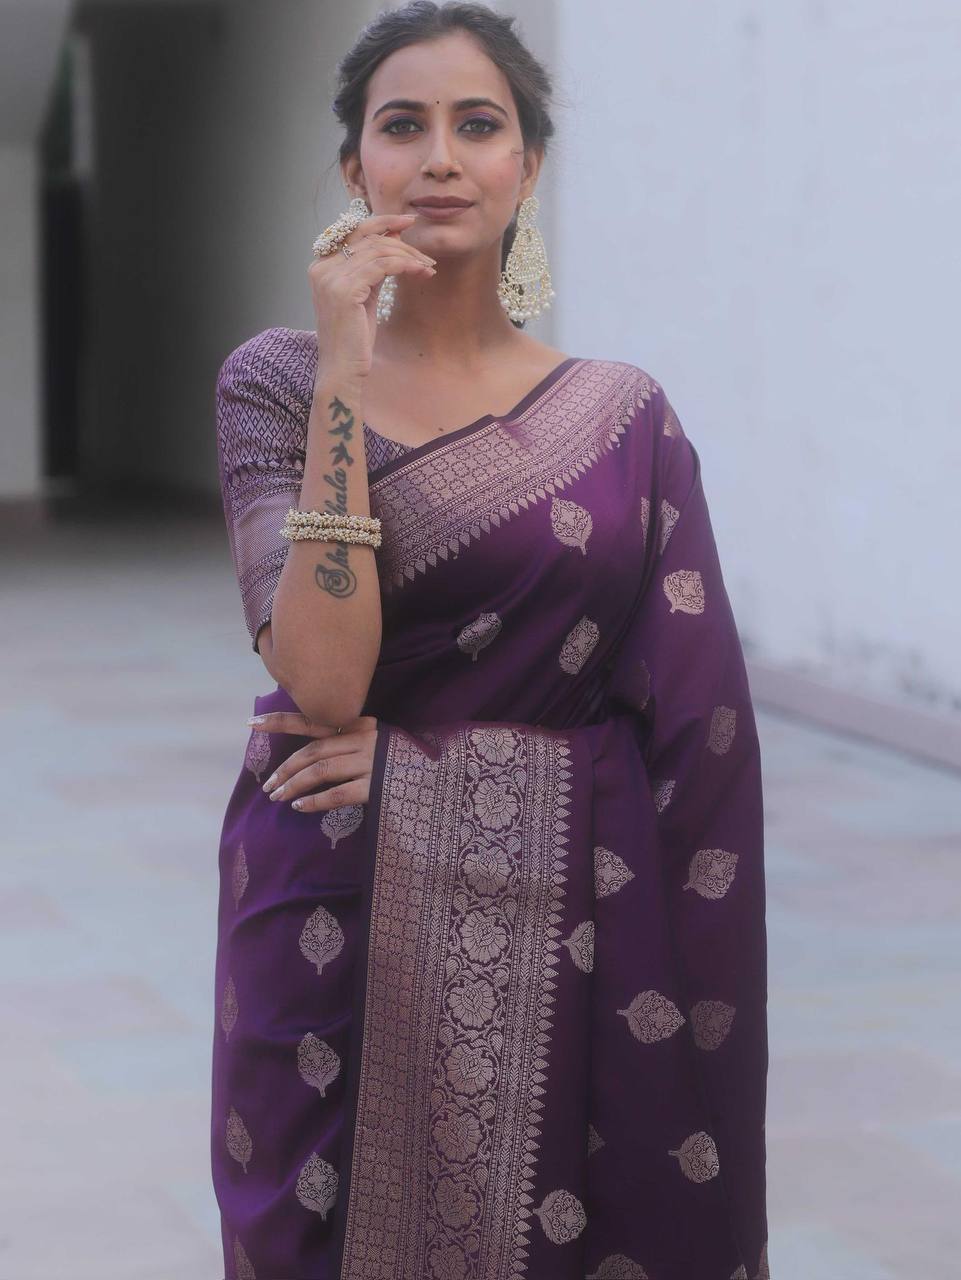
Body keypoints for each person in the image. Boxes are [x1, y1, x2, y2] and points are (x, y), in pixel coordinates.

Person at [210, 4, 770, 1278]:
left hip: (578, 931)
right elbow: (322, 679)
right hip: (333, 906)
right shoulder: (276, 382)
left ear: (529, 165)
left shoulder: (623, 419)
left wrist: (425, 776)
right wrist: (344, 373)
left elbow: (696, 734)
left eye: (478, 125)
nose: (440, 159)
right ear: (353, 167)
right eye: (401, 126)